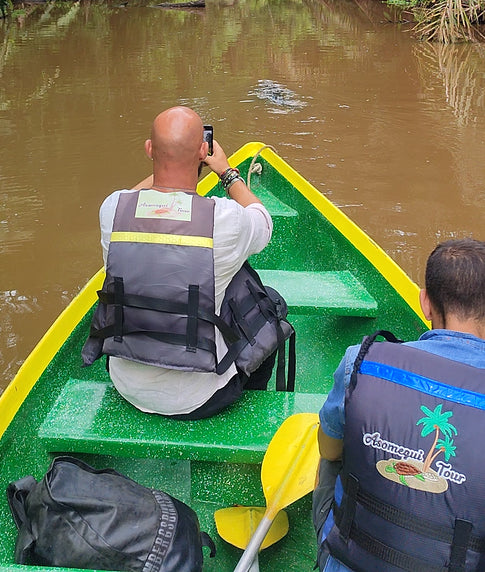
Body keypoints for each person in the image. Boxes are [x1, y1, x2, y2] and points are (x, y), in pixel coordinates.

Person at [82, 105, 284, 419]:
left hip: (125, 384)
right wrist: (226, 172)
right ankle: (247, 410)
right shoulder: (224, 219)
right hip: (199, 396)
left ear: (149, 149)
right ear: (204, 150)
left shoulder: (112, 211)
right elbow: (263, 221)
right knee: (268, 302)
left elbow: (130, 196)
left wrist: (168, 160)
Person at [313, 237, 485, 572]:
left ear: (425, 302)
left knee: (332, 451)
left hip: (351, 560)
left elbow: (329, 450)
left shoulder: (360, 361)